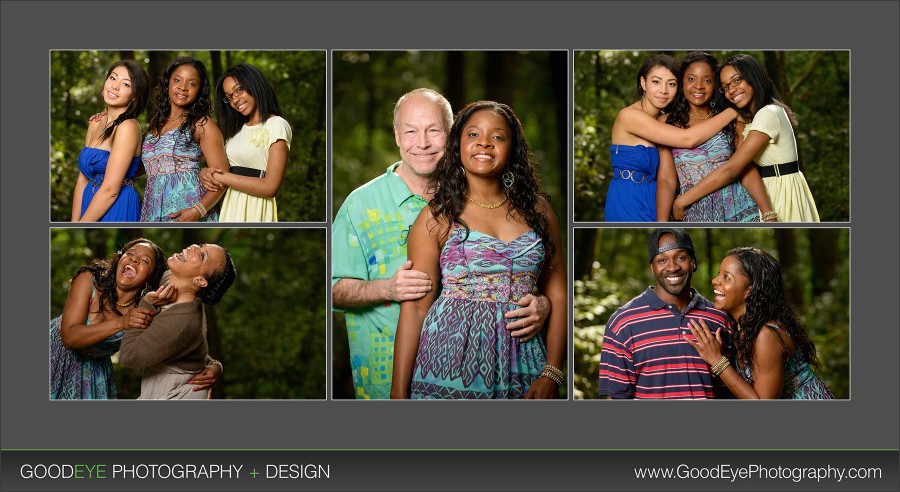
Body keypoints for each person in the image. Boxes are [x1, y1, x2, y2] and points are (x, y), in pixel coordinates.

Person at [332, 89, 549, 400]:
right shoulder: (360, 204)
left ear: (452, 136)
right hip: (385, 376)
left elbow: (525, 269)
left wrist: (541, 302)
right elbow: (331, 287)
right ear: (397, 136)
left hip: (496, 367)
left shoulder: (482, 197)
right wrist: (386, 288)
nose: (422, 143)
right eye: (410, 131)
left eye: (433, 131)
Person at [390, 100, 567, 399]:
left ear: (512, 149)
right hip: (448, 364)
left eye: (497, 136)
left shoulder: (539, 211)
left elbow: (559, 293)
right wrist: (397, 393)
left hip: (525, 364)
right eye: (473, 134)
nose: (484, 142)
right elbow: (416, 308)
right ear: (457, 145)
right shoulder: (436, 217)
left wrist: (552, 371)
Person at [673, 54, 820, 222]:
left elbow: (732, 169)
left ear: (753, 77)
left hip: (781, 191)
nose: (732, 90)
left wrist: (681, 201)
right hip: (766, 189)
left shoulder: (768, 113)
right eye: (725, 86)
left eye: (737, 80)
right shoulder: (751, 118)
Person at [598, 229, 734, 399]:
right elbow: (616, 398)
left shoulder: (720, 319)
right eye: (662, 260)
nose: (672, 267)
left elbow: (730, 392)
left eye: (681, 257)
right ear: (652, 268)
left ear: (693, 261)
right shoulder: (623, 322)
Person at [604, 54, 740, 222]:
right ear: (643, 82)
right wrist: (732, 111)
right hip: (628, 197)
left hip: (654, 198)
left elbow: (667, 178)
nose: (663, 90)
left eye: (671, 84)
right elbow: (687, 140)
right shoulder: (628, 116)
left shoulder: (664, 121)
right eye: (656, 82)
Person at [686, 247, 834, 399]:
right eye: (719, 274)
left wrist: (717, 360)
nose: (715, 281)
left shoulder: (767, 334)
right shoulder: (741, 327)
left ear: (749, 290)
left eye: (727, 277)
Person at [657, 52, 774, 222]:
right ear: (681, 82)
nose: (699, 86)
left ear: (715, 85)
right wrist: (663, 222)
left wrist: (768, 212)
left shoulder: (732, 119)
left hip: (738, 205)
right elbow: (667, 179)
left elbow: (745, 169)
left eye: (707, 80)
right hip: (693, 208)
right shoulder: (665, 122)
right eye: (691, 79)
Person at [50, 238, 166, 399]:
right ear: (119, 260)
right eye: (130, 254)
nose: (134, 259)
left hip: (92, 376)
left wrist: (212, 365)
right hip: (52, 356)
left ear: (151, 277)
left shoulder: (144, 314)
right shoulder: (89, 280)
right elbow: (69, 338)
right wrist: (122, 323)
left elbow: (175, 342)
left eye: (145, 260)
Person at [119, 244, 236, 399]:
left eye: (202, 255)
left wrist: (146, 304)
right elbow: (193, 346)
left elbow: (129, 356)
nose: (194, 246)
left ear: (200, 280)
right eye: (201, 246)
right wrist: (214, 364)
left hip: (176, 395)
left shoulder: (182, 321)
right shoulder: (170, 279)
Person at [140, 57, 228, 222]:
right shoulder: (155, 125)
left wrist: (197, 210)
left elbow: (222, 177)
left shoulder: (202, 125)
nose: (183, 87)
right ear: (168, 83)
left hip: (188, 207)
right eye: (177, 80)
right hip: (151, 208)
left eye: (192, 83)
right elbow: (143, 166)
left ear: (200, 89)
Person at [200, 63, 292, 222]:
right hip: (230, 203)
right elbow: (217, 167)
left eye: (239, 90)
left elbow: (271, 187)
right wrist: (204, 173)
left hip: (256, 205)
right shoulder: (233, 131)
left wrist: (222, 177)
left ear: (254, 85)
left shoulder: (276, 125)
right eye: (229, 96)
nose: (235, 100)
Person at [72, 60, 149, 222]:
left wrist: (83, 224)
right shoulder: (95, 122)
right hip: (89, 200)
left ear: (135, 95)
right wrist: (74, 221)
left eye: (126, 84)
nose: (115, 86)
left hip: (115, 204)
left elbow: (111, 190)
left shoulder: (128, 127)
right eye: (113, 78)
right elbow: (82, 178)